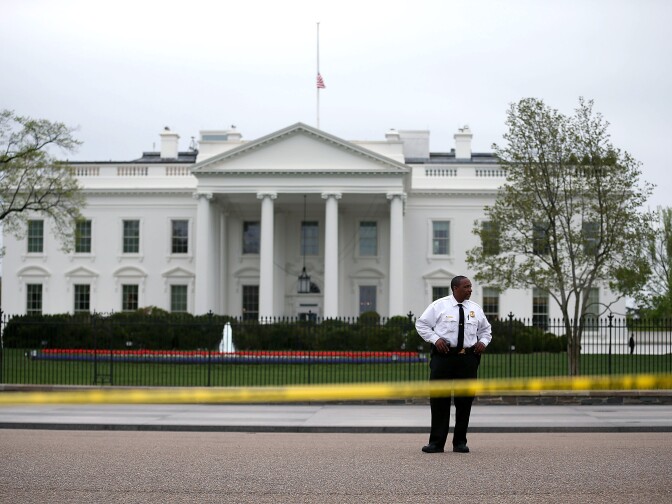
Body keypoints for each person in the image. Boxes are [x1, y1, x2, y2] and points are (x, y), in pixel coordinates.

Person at [415, 275, 492, 454]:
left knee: (464, 401)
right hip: (444, 357)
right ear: (455, 288)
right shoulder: (439, 305)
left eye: (470, 286)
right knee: (439, 399)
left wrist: (483, 342)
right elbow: (422, 324)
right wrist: (435, 339)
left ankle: (460, 442)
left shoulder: (475, 309)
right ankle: (436, 443)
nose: (470, 290)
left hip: (468, 359)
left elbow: (486, 331)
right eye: (466, 287)